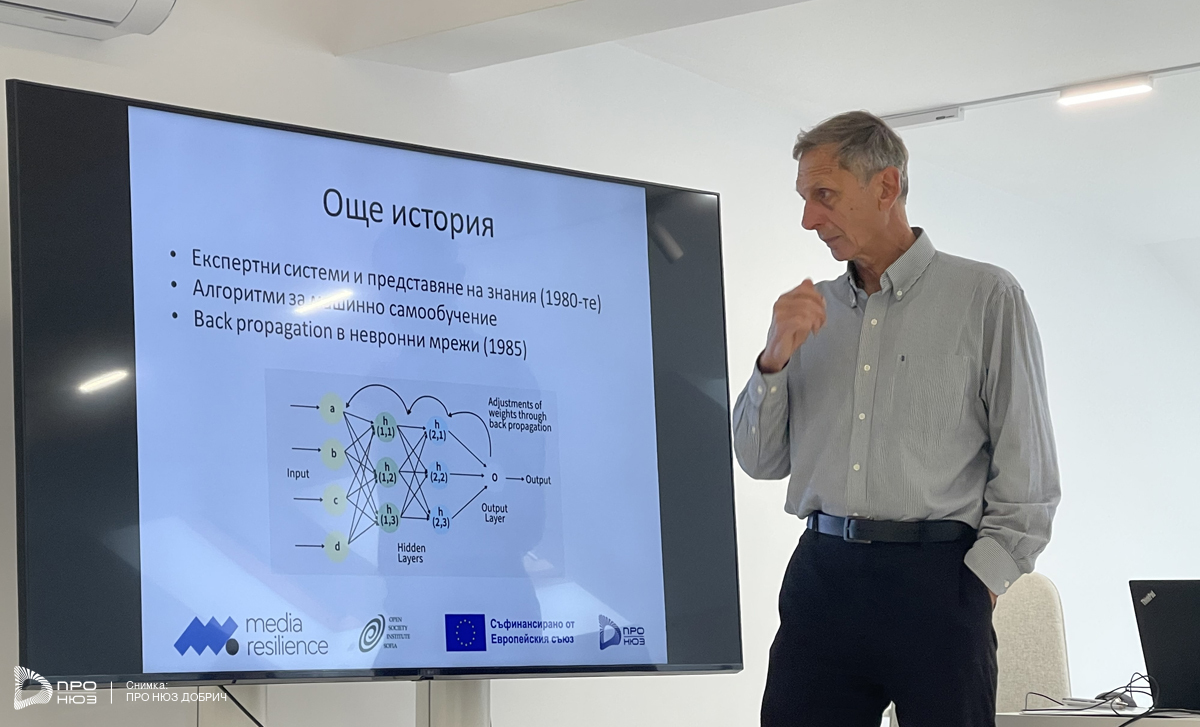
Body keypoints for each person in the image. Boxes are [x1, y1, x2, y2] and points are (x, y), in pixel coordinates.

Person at [732, 111, 1061, 727]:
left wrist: (978, 587)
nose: (808, 219)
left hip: (940, 584)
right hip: (822, 581)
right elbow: (759, 460)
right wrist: (773, 359)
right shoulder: (810, 312)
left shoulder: (987, 297)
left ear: (886, 186)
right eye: (804, 199)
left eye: (824, 195)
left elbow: (1028, 471)